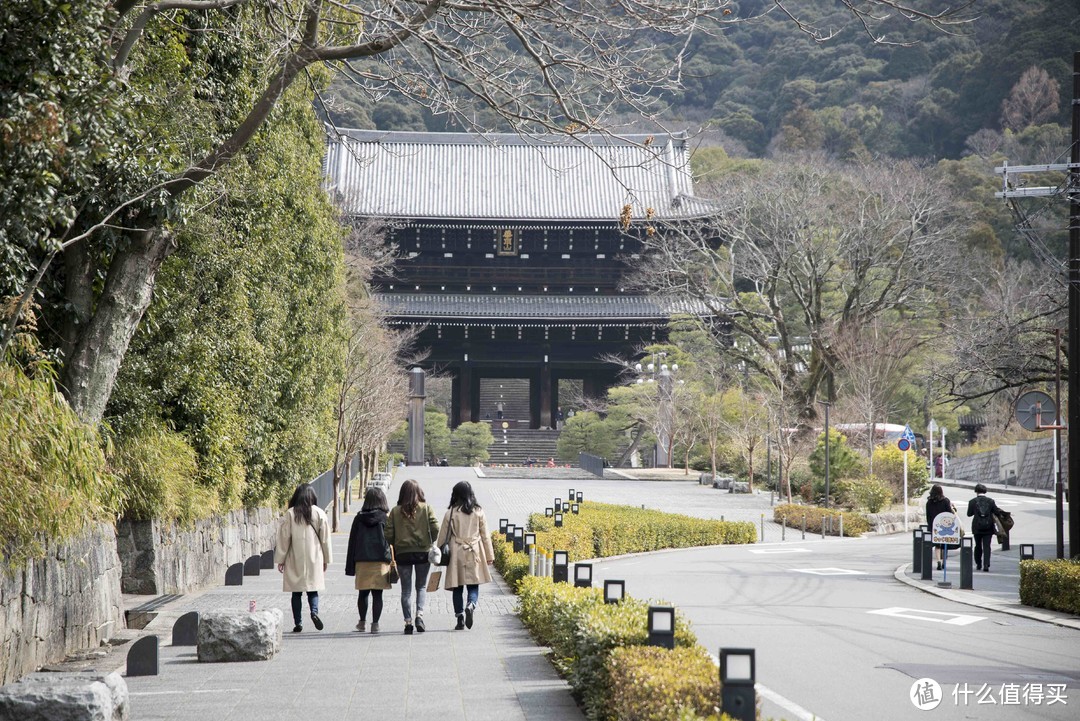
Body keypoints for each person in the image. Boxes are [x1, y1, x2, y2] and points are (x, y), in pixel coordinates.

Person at [437, 481, 495, 630]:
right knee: (473, 585)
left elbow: (443, 536)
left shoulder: (451, 513)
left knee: (457, 587)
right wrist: (489, 555)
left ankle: (460, 618)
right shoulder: (478, 511)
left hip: (456, 551)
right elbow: (485, 535)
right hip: (473, 550)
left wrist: (438, 554)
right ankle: (471, 604)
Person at [275, 483, 332, 633]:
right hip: (315, 557)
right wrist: (326, 559)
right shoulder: (319, 513)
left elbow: (284, 538)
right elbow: (325, 539)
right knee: (313, 589)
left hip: (295, 557)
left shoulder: (291, 514)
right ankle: (314, 612)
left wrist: (280, 559)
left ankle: (298, 623)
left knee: (296, 592)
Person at [385, 479, 440, 635]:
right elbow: (435, 527)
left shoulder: (395, 511)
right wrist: (430, 540)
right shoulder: (426, 508)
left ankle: (408, 622)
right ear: (419, 492)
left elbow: (388, 533)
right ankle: (419, 615)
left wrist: (394, 542)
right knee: (421, 586)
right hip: (422, 553)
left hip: (402, 554)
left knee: (406, 590)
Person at [345, 487, 392, 633]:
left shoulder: (359, 518)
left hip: (362, 560)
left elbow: (352, 542)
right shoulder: (385, 518)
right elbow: (391, 540)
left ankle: (362, 622)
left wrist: (350, 566)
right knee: (378, 594)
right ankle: (375, 624)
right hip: (380, 561)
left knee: (363, 593)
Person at [967, 483, 1002, 572]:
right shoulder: (990, 501)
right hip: (988, 526)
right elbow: (996, 512)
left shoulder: (972, 501)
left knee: (978, 545)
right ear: (985, 491)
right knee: (987, 546)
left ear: (976, 491)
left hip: (977, 527)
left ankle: (978, 563)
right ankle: (986, 565)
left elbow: (969, 514)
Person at [924, 484, 955, 571]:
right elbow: (950, 514)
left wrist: (930, 526)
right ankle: (944, 562)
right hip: (945, 526)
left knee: (937, 545)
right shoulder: (945, 501)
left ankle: (938, 561)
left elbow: (928, 516)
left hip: (934, 526)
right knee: (944, 544)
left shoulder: (929, 502)